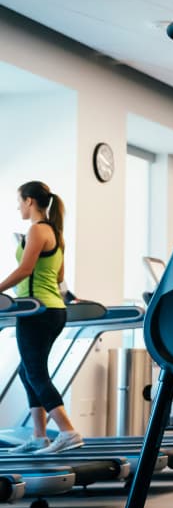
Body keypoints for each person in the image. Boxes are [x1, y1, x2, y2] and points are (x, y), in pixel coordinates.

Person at [1, 182, 83, 454]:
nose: (17, 206)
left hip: (36, 311)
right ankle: (39, 437)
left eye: (19, 201)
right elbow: (58, 278)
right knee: (29, 371)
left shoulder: (36, 230)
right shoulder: (56, 233)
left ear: (29, 202)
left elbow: (25, 269)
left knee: (35, 372)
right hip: (54, 310)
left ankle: (67, 431)